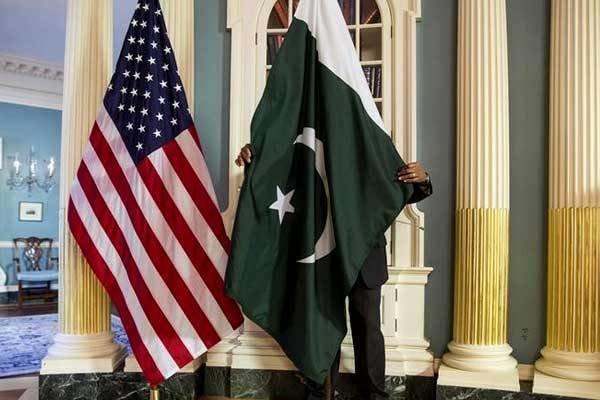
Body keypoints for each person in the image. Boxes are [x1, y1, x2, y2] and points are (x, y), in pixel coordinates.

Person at [235, 145, 433, 400]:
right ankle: (320, 392)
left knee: (368, 328)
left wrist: (423, 179)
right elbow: (280, 178)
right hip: (324, 255)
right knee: (322, 327)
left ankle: (374, 395)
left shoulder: (369, 143)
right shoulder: (312, 143)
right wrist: (256, 158)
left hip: (365, 255)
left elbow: (398, 189)